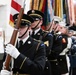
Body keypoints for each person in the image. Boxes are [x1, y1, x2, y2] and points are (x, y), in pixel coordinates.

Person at [27, 10, 53, 75]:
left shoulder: (46, 35)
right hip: (27, 66)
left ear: (41, 22)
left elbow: (45, 51)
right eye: (31, 20)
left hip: (41, 67)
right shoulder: (25, 34)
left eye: (35, 20)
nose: (32, 22)